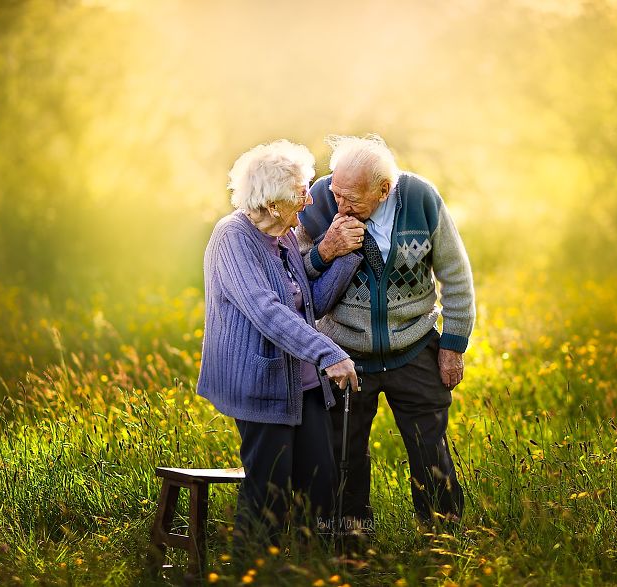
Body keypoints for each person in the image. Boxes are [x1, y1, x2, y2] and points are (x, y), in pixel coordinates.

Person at [297, 134, 475, 531]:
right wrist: (325, 250)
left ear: (384, 189)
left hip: (413, 346)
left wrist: (453, 344)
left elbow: (456, 275)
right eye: (336, 191)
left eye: (351, 199)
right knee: (345, 453)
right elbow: (292, 277)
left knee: (430, 451)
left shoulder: (421, 199)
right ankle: (351, 541)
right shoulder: (321, 200)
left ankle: (442, 536)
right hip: (343, 352)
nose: (339, 204)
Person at [197, 139, 362, 552]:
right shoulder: (231, 238)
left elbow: (310, 304)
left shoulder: (285, 237)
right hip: (260, 381)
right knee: (269, 494)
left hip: (302, 384)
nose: (309, 200)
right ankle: (252, 572)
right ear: (272, 204)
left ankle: (314, 569)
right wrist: (330, 353)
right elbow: (267, 311)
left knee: (321, 484)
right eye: (300, 192)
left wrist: (344, 255)